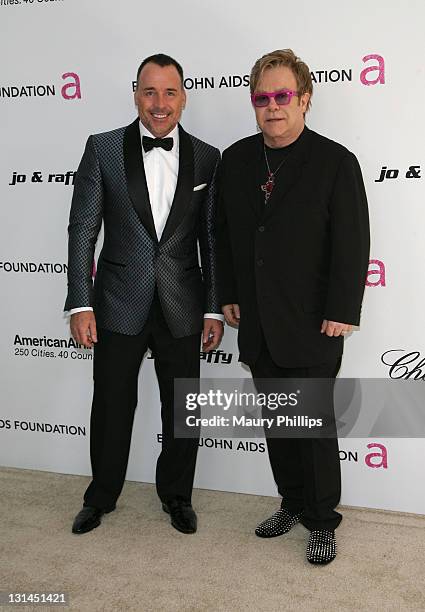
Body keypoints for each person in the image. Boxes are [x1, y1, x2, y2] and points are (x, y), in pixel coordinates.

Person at [217, 49, 369, 564]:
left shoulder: (335, 162)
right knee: (279, 425)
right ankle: (293, 503)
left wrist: (343, 307)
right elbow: (223, 235)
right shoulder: (236, 160)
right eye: (263, 98)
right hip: (258, 321)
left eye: (283, 96)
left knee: (313, 429)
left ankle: (323, 520)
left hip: (313, 323)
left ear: (304, 99)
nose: (272, 107)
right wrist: (228, 295)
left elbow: (352, 242)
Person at [66, 53, 223, 535]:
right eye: (150, 92)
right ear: (136, 94)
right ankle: (101, 496)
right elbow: (82, 230)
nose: (159, 103)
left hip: (183, 302)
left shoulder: (208, 156)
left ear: (184, 97)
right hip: (116, 300)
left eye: (169, 92)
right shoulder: (103, 148)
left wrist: (214, 308)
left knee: (183, 408)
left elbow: (212, 239)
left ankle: (177, 497)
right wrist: (81, 301)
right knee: (112, 404)